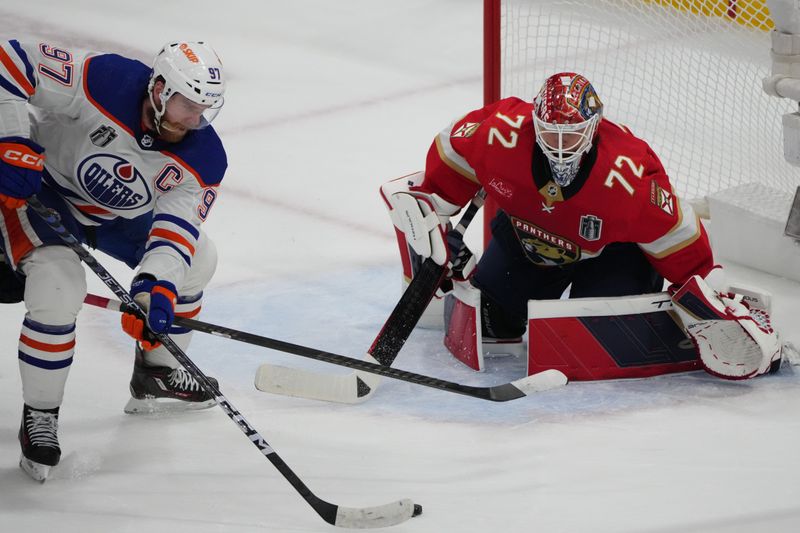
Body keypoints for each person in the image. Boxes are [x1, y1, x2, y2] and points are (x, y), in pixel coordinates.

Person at [381, 72, 780, 381]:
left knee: (598, 341)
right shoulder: (500, 134)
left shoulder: (627, 180)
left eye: (570, 135)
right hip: (528, 235)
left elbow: (675, 232)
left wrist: (705, 286)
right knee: (489, 323)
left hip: (611, 254)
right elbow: (453, 148)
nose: (559, 146)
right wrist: (435, 208)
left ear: (593, 128)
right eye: (550, 133)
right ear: (533, 122)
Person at [0, 40, 227, 481]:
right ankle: (41, 415)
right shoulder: (104, 81)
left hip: (114, 216)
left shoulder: (204, 157)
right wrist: (10, 140)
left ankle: (156, 372)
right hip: (42, 192)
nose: (194, 120)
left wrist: (153, 288)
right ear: (159, 89)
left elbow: (176, 232)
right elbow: (7, 59)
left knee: (199, 259)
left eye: (204, 109)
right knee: (59, 287)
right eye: (187, 105)